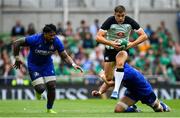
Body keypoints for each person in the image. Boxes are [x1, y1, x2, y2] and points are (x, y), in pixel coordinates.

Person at [12, 24, 83, 113]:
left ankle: (49, 108)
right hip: (34, 65)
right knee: (41, 89)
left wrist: (73, 64)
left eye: (54, 35)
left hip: (47, 65)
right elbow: (16, 43)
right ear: (44, 34)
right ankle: (38, 92)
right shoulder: (34, 39)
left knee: (52, 86)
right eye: (51, 35)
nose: (53, 37)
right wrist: (17, 58)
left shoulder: (56, 41)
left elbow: (64, 56)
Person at [96, 5, 148, 99]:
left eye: (122, 16)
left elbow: (144, 36)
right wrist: (111, 44)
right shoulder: (109, 21)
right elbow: (98, 37)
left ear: (125, 14)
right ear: (114, 14)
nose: (120, 18)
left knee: (120, 64)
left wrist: (132, 44)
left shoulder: (130, 21)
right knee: (109, 80)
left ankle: (115, 91)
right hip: (110, 50)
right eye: (118, 16)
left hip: (123, 49)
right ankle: (103, 78)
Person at [91, 63, 171, 113]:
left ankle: (162, 105)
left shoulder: (127, 72)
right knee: (118, 110)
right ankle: (133, 108)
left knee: (159, 110)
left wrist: (102, 76)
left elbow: (109, 83)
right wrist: (100, 92)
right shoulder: (117, 69)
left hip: (144, 91)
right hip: (132, 92)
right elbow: (109, 82)